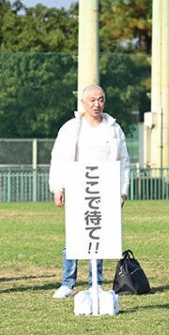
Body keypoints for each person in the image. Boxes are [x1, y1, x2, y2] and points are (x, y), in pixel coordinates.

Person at [48, 84, 130, 299]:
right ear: (82, 103)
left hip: (104, 187)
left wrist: (122, 190)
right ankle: (68, 283)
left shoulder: (113, 128)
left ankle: (96, 282)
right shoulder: (71, 128)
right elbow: (58, 158)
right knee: (74, 236)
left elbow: (124, 161)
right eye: (92, 100)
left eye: (100, 99)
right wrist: (58, 187)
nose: (96, 104)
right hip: (78, 187)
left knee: (98, 235)